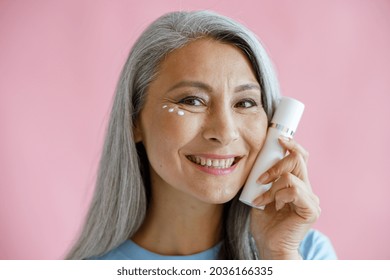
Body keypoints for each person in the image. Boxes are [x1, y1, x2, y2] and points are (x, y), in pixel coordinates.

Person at [66, 10, 337, 260]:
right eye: (192, 101)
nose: (225, 132)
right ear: (134, 120)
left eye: (245, 103)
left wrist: (278, 257)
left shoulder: (305, 255)